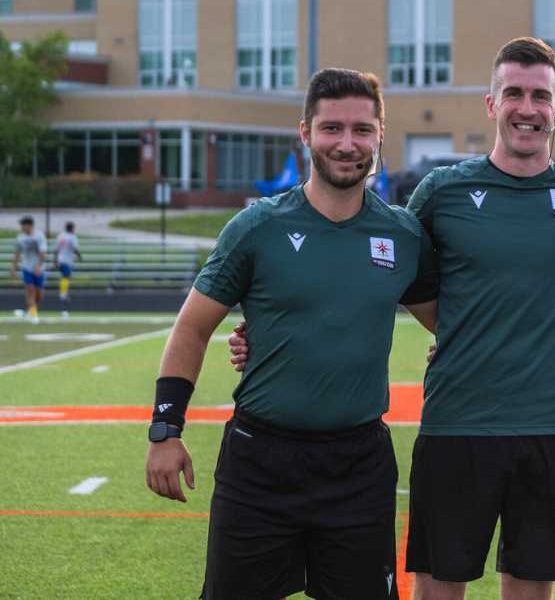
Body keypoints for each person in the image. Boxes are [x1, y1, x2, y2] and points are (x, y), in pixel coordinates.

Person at [144, 67, 438, 600]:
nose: (347, 144)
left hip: (358, 466)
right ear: (305, 133)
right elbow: (191, 327)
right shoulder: (257, 227)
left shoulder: (403, 234)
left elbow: (453, 323)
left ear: (379, 136)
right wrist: (166, 431)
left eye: (362, 130)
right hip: (260, 464)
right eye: (331, 129)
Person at [403, 37, 555, 600]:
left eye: (540, 96)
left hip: (548, 428)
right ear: (491, 103)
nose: (527, 108)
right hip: (456, 424)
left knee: (530, 589)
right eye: (514, 93)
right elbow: (378, 266)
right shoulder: (443, 191)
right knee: (437, 588)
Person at [11, 215, 46, 324]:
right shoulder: (20, 238)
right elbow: (17, 253)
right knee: (30, 289)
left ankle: (29, 311)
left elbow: (42, 252)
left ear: (29, 225)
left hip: (39, 269)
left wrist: (38, 266)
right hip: (26, 268)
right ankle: (34, 316)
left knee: (39, 295)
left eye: (23, 225)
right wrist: (14, 268)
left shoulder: (39, 236)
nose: (22, 227)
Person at [55, 220, 82, 316]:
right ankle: (63, 293)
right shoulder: (72, 237)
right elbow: (75, 248)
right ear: (72, 228)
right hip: (67, 261)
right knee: (66, 276)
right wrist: (79, 256)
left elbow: (56, 249)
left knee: (65, 276)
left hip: (60, 259)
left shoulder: (61, 236)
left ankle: (64, 291)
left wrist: (55, 260)